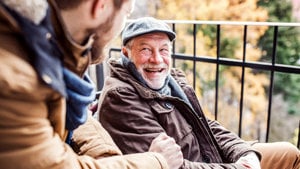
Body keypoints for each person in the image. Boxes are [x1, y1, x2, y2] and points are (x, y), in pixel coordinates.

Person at [97, 17, 300, 169]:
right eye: (146, 50)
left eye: (164, 49)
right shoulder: (120, 97)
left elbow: (206, 124)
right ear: (126, 53)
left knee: (289, 153)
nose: (157, 59)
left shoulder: (172, 81)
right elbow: (171, 165)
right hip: (201, 164)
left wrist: (244, 153)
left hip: (211, 155)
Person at [0, 1, 183, 169]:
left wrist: (105, 155)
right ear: (100, 6)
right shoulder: (14, 78)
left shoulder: (47, 49)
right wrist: (158, 161)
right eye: (127, 13)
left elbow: (78, 119)